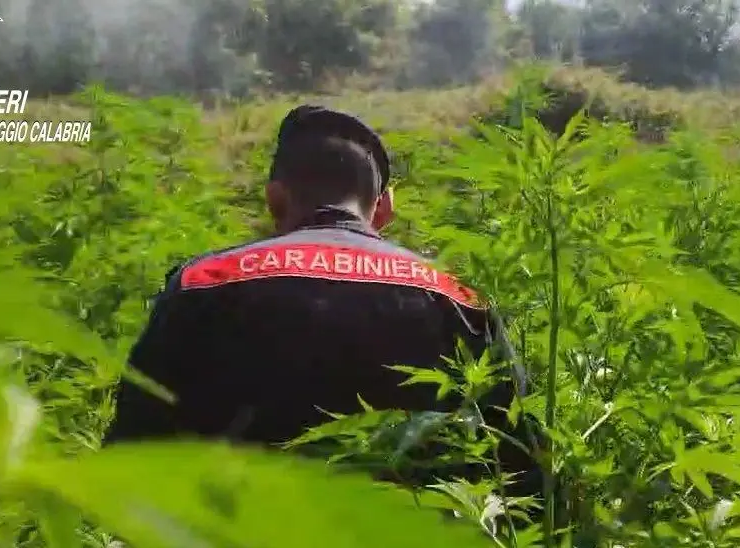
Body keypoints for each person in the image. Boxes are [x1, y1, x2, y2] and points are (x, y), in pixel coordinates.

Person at [103, 105, 541, 501]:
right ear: (383, 209)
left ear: (275, 198)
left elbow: (131, 458)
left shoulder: (203, 282)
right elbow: (523, 468)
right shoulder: (458, 297)